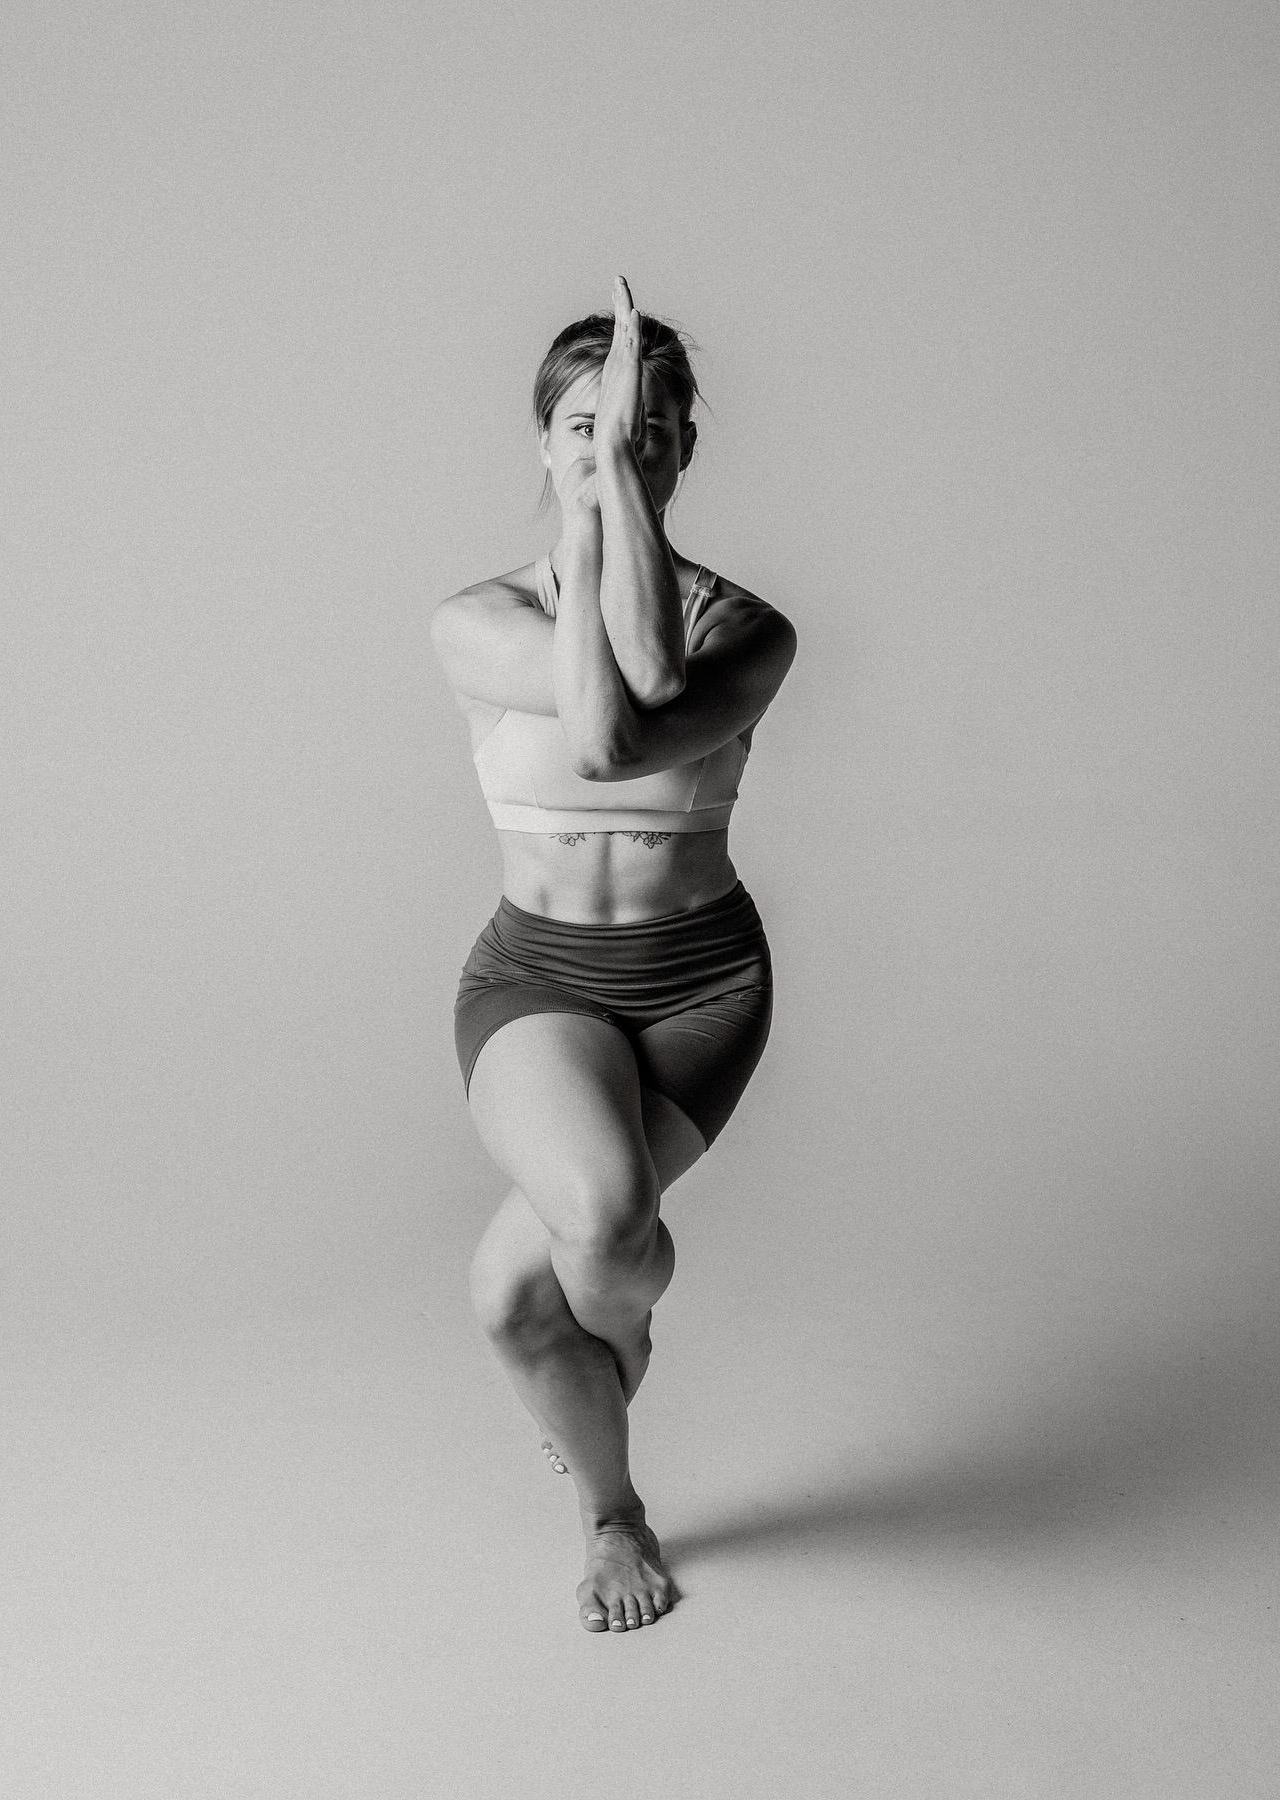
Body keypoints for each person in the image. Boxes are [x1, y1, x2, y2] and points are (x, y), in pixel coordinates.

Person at [429, 278, 798, 1633]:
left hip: (701, 985)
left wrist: (613, 508)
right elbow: (591, 730)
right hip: (539, 979)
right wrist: (599, 521)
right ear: (543, 442)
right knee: (593, 1237)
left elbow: (628, 725)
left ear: (683, 449)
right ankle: (613, 1505)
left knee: (521, 1298)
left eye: (646, 430)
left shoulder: (749, 631)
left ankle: (609, 1343)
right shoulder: (475, 621)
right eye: (585, 427)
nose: (614, 450)